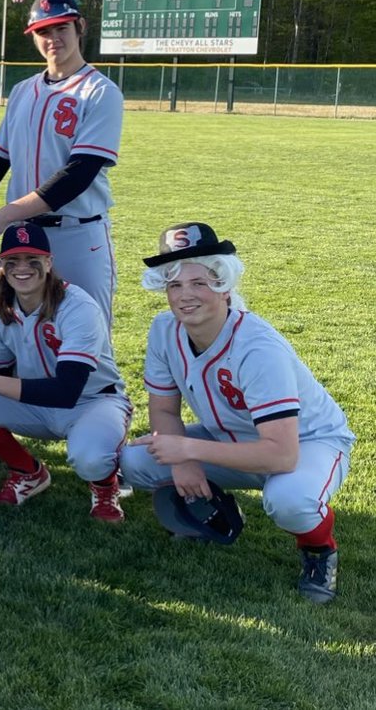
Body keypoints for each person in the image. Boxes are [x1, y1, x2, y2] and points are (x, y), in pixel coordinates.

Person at [121, 222, 354, 603]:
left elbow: (281, 453)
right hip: (230, 437)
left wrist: (189, 450)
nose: (185, 296)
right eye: (174, 285)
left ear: (225, 286)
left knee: (290, 501)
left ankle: (319, 551)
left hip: (307, 442)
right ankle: (213, 510)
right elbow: (163, 408)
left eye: (199, 282)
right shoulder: (164, 329)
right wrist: (183, 461)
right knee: (136, 461)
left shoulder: (257, 347)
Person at [0, 0, 122, 328]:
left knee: (88, 337)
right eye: (44, 31)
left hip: (77, 235)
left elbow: (77, 176)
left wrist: (2, 216)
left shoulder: (100, 91)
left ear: (80, 27)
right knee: (12, 331)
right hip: (24, 239)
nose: (53, 38)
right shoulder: (22, 91)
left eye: (62, 28)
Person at [0, 223, 131, 522]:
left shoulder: (78, 306)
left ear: (49, 263)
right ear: (2, 266)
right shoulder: (0, 308)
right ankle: (28, 472)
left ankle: (104, 485)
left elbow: (66, 391)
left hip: (92, 401)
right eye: (13, 261)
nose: (23, 268)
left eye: (33, 260)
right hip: (34, 404)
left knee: (91, 458)